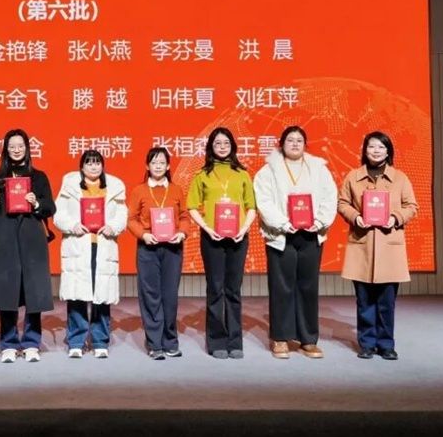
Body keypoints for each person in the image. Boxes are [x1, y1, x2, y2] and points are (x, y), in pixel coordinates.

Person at [253, 126, 338, 359]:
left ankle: (308, 339)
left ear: (305, 144)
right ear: (281, 144)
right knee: (281, 287)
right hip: (281, 236)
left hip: (311, 234)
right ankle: (280, 338)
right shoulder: (268, 171)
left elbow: (330, 197)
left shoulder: (319, 169)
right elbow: (264, 201)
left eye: (299, 140)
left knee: (308, 286)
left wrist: (319, 221)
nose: (295, 144)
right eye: (290, 140)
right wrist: (282, 223)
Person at [337, 131, 418, 360]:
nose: (376, 151)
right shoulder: (353, 177)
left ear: (388, 151)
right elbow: (342, 203)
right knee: (364, 301)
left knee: (386, 302)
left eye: (381, 147)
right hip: (362, 246)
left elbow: (411, 206)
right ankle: (367, 343)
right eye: (372, 146)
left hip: (389, 246)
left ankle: (386, 344)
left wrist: (395, 218)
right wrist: (355, 217)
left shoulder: (400, 178)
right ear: (365, 150)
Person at [0, 129, 56, 363]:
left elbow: (50, 207)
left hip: (32, 238)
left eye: (20, 146)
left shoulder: (39, 177)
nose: (16, 150)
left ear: (27, 148)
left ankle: (32, 342)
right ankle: (9, 343)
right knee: (7, 291)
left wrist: (37, 203)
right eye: (12, 146)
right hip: (6, 238)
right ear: (5, 149)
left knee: (34, 291)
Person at [187, 127, 257, 359]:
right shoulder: (202, 175)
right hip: (212, 239)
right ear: (211, 147)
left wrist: (243, 229)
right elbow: (192, 207)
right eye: (217, 143)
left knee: (233, 290)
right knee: (216, 288)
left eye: (226, 143)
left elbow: (251, 207)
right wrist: (207, 228)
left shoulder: (242, 174)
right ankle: (217, 340)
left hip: (238, 238)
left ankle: (235, 341)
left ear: (233, 146)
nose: (222, 147)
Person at [53, 150, 127, 359]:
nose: (94, 167)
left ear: (102, 166)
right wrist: (72, 225)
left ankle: (100, 340)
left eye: (97, 163)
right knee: (77, 295)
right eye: (89, 163)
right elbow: (59, 214)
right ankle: (76, 341)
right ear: (82, 167)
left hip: (103, 245)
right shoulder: (70, 185)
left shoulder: (114, 186)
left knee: (101, 295)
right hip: (78, 245)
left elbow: (122, 214)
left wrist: (113, 227)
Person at [126, 146, 190, 360]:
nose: (158, 166)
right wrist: (143, 235)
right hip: (148, 249)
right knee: (151, 295)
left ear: (168, 166)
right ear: (147, 166)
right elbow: (131, 219)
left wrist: (181, 233)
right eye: (154, 162)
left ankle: (170, 340)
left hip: (172, 249)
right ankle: (154, 343)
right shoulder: (139, 190)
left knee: (170, 296)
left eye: (162, 162)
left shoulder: (176, 189)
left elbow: (184, 216)